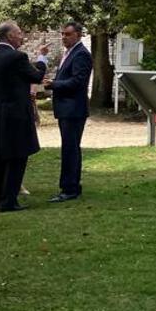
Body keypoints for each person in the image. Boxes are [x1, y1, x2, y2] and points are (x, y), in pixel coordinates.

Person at [0, 21, 49, 212]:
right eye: (19, 33)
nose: (22, 36)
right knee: (17, 156)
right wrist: (42, 58)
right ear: (10, 36)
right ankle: (8, 201)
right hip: (15, 114)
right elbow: (35, 76)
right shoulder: (17, 56)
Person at [47, 21, 92, 203]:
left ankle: (69, 188)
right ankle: (72, 185)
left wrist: (53, 84)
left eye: (67, 34)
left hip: (73, 108)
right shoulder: (69, 53)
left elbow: (77, 82)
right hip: (66, 108)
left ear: (78, 35)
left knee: (70, 148)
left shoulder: (81, 54)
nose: (64, 37)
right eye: (62, 34)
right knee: (70, 147)